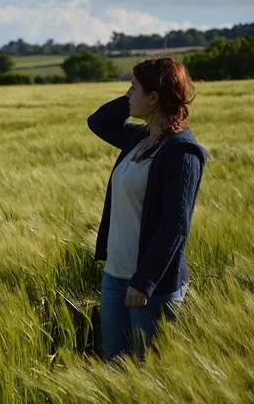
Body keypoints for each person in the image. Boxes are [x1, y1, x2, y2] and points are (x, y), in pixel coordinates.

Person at [87, 57, 207, 361]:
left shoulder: (182, 152)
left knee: (150, 373)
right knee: (116, 367)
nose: (128, 93)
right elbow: (98, 122)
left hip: (151, 287)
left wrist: (144, 282)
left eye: (133, 88)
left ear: (153, 98)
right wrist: (137, 95)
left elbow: (175, 225)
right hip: (115, 277)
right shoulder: (138, 139)